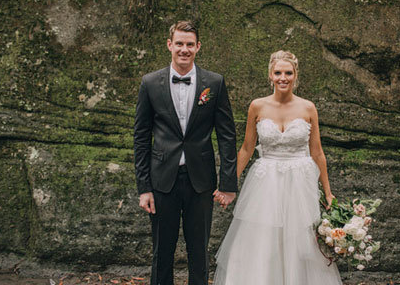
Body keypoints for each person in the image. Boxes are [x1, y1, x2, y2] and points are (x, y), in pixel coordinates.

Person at [212, 50, 342, 285]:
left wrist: (328, 192)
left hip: (300, 182)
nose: (283, 78)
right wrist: (228, 184)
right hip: (266, 181)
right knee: (262, 239)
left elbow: (317, 153)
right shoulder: (257, 106)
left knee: (300, 240)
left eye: (288, 73)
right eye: (278, 73)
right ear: (270, 75)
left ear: (295, 76)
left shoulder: (308, 108)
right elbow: (246, 149)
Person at [134, 21, 238, 285]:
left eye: (190, 44)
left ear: (198, 47)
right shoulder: (150, 83)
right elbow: (141, 138)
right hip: (162, 181)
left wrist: (228, 184)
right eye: (179, 43)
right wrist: (144, 188)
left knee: (199, 253)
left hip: (200, 180)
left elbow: (227, 136)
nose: (184, 49)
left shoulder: (214, 83)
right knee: (162, 252)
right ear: (169, 45)